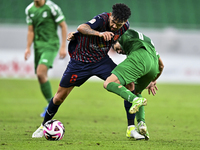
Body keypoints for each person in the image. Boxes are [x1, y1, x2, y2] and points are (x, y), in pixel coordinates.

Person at [32, 3, 143, 139]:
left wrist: (119, 48)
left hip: (101, 62)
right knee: (59, 97)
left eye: (118, 24)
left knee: (129, 84)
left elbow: (116, 41)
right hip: (80, 62)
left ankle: (131, 128)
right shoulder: (102, 19)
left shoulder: (125, 27)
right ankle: (43, 126)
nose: (114, 26)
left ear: (125, 22)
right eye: (113, 22)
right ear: (111, 15)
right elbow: (82, 27)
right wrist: (99, 34)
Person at [104, 29, 164, 140]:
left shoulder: (123, 34)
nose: (119, 52)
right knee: (136, 91)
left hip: (140, 57)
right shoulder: (147, 41)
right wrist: (153, 80)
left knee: (109, 83)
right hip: (153, 64)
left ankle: (134, 99)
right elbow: (161, 66)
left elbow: (117, 27)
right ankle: (142, 123)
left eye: (117, 48)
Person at [24, 0, 67, 117]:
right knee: (41, 77)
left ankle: (50, 106)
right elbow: (30, 30)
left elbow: (63, 26)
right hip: (38, 46)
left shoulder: (51, 7)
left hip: (51, 45)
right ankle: (50, 104)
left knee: (40, 73)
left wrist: (63, 46)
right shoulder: (29, 9)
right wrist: (28, 47)